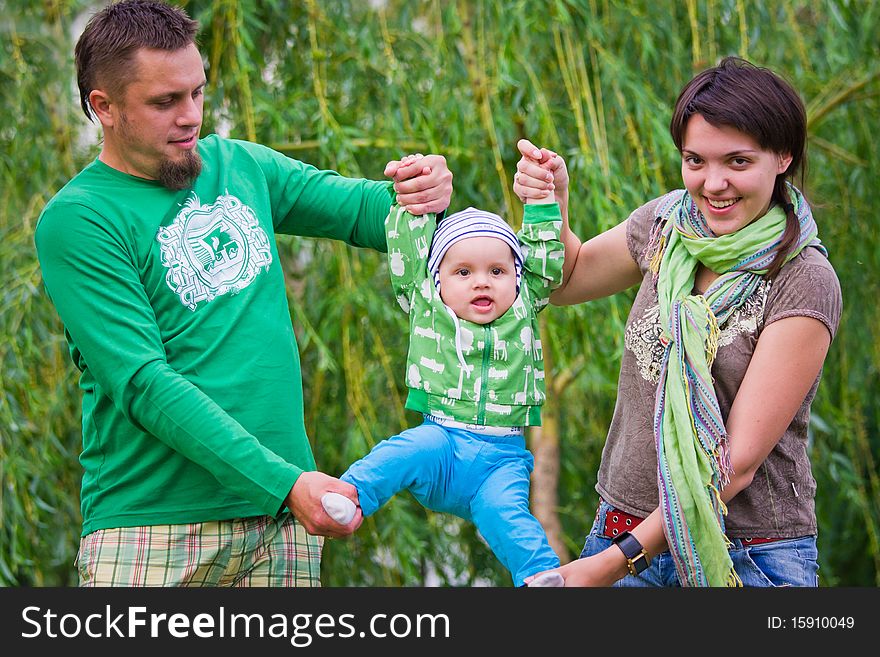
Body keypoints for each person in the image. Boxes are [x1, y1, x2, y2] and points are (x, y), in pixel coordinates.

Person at [33, 0, 452, 587]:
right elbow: (143, 384)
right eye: (165, 102)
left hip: (281, 526)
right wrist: (285, 482)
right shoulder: (79, 219)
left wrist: (422, 190)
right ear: (102, 107)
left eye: (197, 93)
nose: (191, 116)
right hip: (155, 533)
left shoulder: (240, 166)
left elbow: (370, 212)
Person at [513, 57, 841, 586]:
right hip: (620, 529)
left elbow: (733, 465)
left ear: (783, 157)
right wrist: (554, 205)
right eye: (695, 160)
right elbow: (569, 280)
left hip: (745, 555)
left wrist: (608, 564)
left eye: (737, 162)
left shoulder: (803, 277)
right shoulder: (668, 224)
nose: (713, 183)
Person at [321, 154, 566, 586]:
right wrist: (416, 199)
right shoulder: (427, 306)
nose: (482, 282)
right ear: (437, 282)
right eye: (463, 272)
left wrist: (542, 199)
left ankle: (541, 575)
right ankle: (352, 494)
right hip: (443, 444)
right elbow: (410, 252)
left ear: (517, 277)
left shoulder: (525, 304)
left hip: (501, 460)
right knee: (400, 453)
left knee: (507, 514)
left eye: (497, 270)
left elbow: (546, 258)